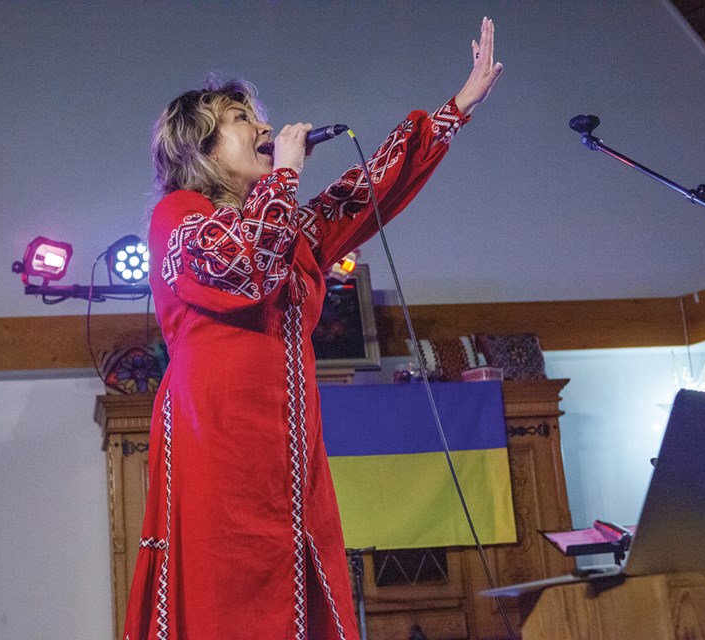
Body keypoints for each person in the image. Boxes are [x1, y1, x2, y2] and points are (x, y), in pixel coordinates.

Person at [124, 17, 503, 640]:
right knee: (234, 600)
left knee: (301, 597)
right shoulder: (178, 216)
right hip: (217, 442)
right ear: (201, 148)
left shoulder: (286, 223)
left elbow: (366, 189)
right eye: (243, 120)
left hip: (291, 447)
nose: (265, 128)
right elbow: (247, 268)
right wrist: (285, 178)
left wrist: (456, 107)